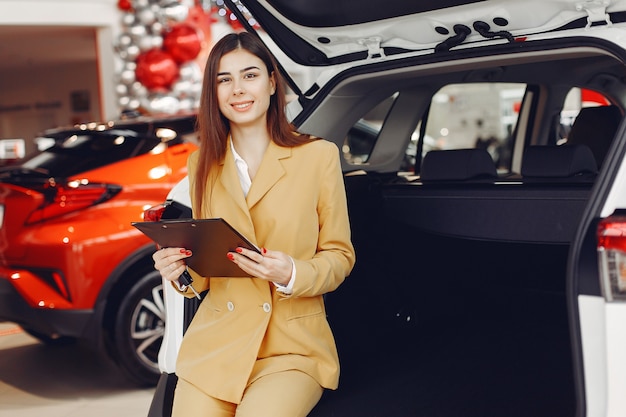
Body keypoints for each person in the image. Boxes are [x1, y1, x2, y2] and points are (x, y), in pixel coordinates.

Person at [152, 31, 356, 417]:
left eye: (250, 75)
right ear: (213, 92)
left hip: (292, 347)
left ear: (271, 81)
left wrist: (292, 272)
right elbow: (205, 272)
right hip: (217, 343)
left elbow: (340, 257)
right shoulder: (202, 166)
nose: (237, 89)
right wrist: (178, 272)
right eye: (223, 79)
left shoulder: (317, 156)